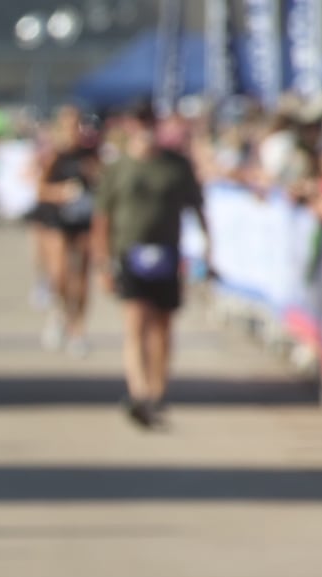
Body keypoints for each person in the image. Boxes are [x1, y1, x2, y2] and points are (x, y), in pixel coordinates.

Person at [93, 103, 212, 429]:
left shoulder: (176, 166)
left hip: (167, 254)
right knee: (135, 323)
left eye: (150, 120)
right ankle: (139, 392)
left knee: (162, 326)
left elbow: (198, 209)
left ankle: (158, 390)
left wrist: (208, 250)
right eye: (139, 119)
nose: (145, 126)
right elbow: (102, 218)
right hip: (129, 255)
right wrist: (102, 263)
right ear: (129, 124)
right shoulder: (117, 168)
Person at [33, 105, 100, 356]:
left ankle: (78, 329)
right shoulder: (52, 155)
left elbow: (101, 182)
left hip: (83, 219)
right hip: (56, 219)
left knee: (81, 277)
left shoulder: (90, 154)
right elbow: (40, 189)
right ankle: (60, 313)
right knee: (60, 272)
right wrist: (61, 193)